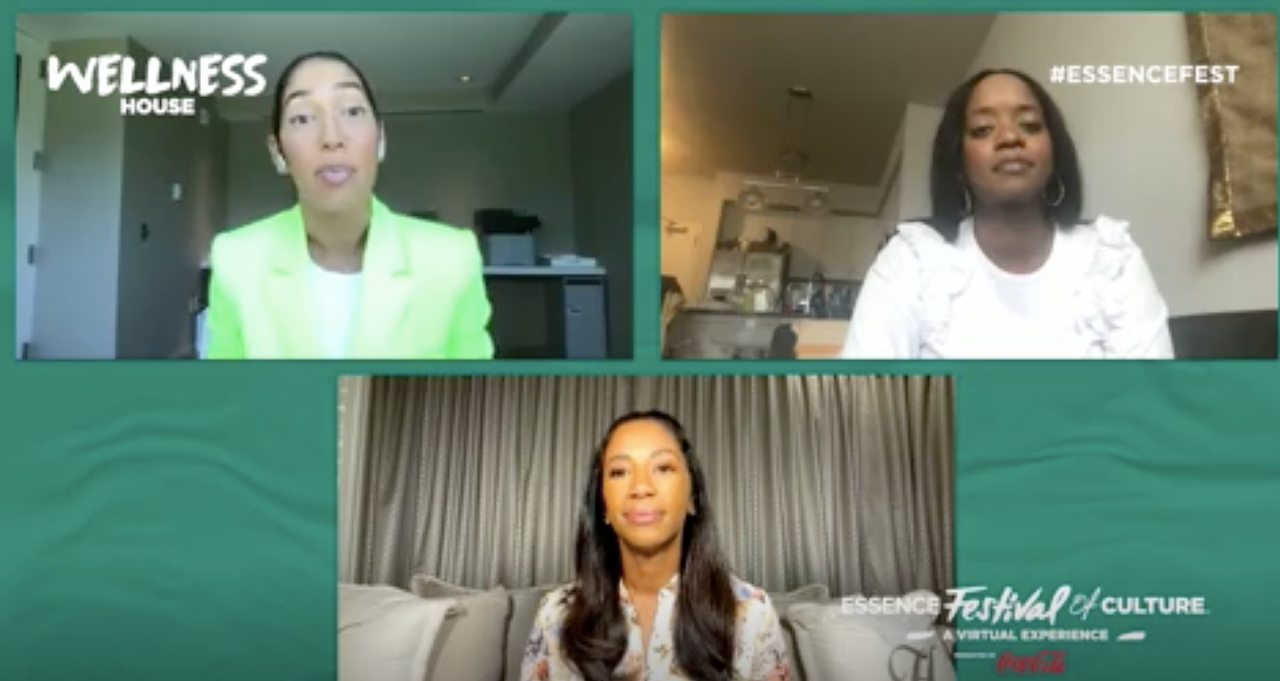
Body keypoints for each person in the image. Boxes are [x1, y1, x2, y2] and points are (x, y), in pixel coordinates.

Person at [841, 68, 1174, 359]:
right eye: (983, 129)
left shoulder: (1113, 261)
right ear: (957, 162)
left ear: (1054, 152)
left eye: (1029, 125)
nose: (1011, 138)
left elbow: (1151, 401)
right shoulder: (911, 261)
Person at [203, 51, 494, 359]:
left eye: (352, 111)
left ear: (380, 139)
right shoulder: (236, 259)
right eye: (302, 118)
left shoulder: (452, 259)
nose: (332, 138)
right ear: (278, 153)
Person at [521, 411, 790, 681]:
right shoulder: (556, 615)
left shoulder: (752, 613)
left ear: (692, 497)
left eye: (663, 468)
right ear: (603, 506)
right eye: (619, 472)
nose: (640, 487)